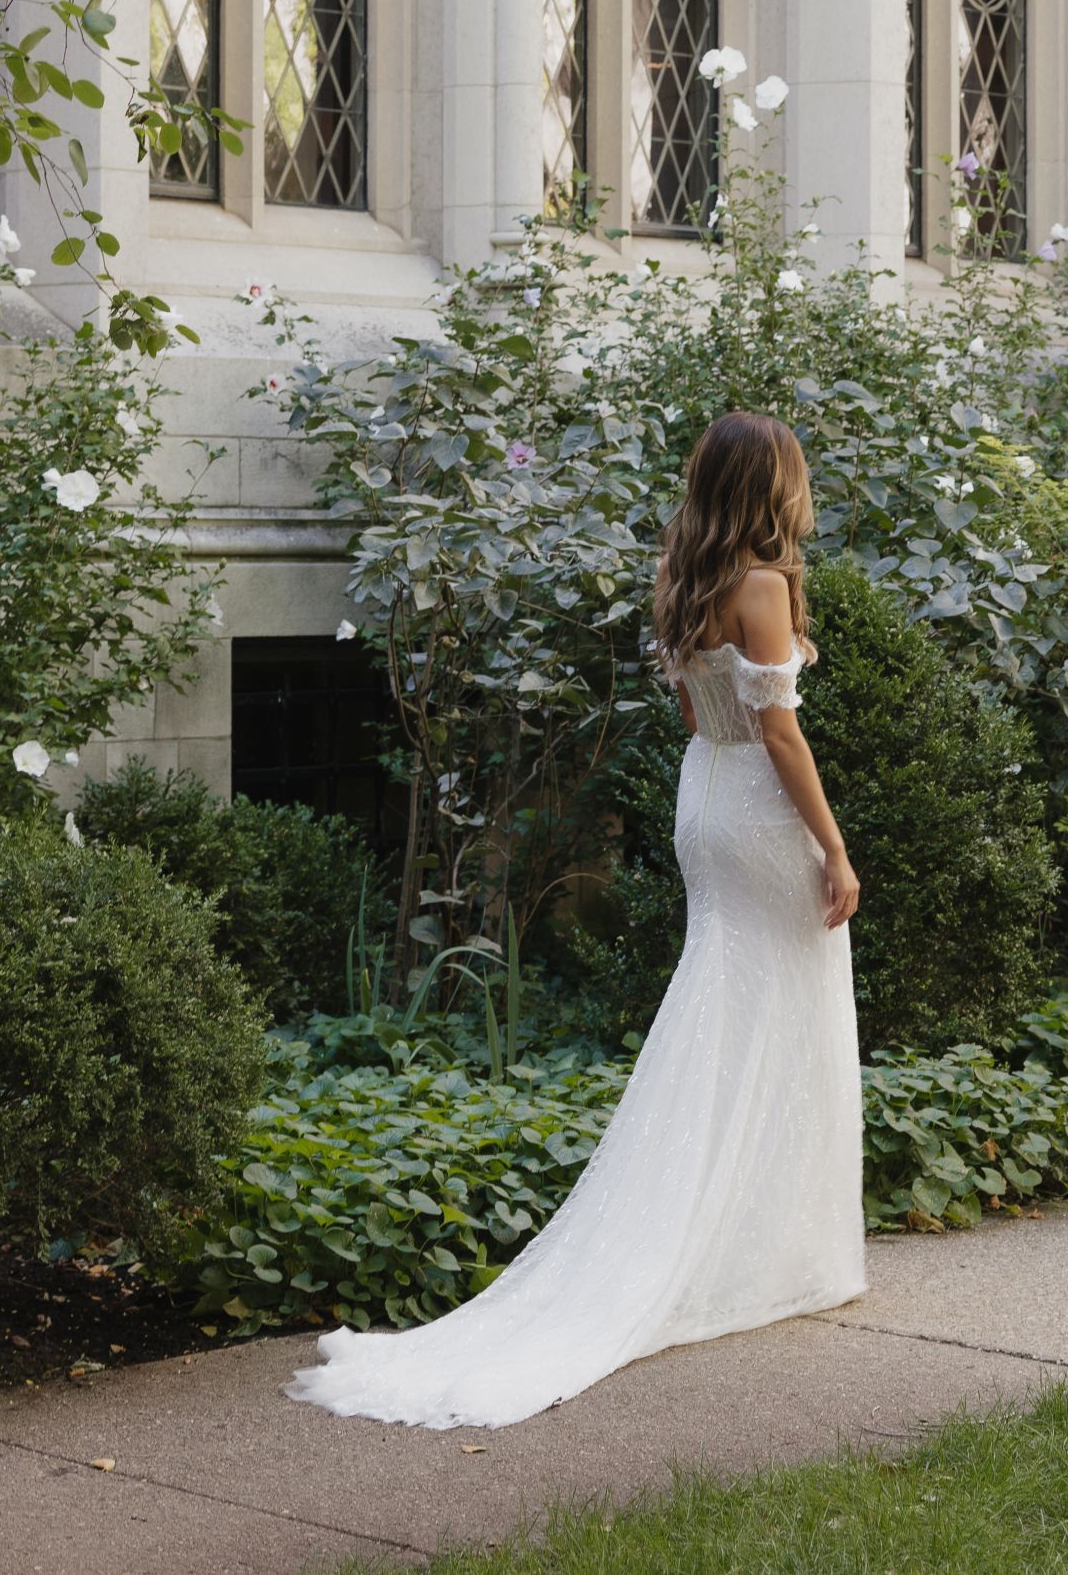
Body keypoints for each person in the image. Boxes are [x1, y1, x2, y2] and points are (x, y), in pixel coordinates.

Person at [287, 409, 865, 1429]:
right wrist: (835, 846)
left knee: (725, 1003)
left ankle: (748, 1236)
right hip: (759, 811)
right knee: (782, 1009)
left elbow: (702, 716)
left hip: (704, 799)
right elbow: (779, 732)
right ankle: (781, 1250)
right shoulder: (765, 586)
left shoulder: (686, 578)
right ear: (772, 486)